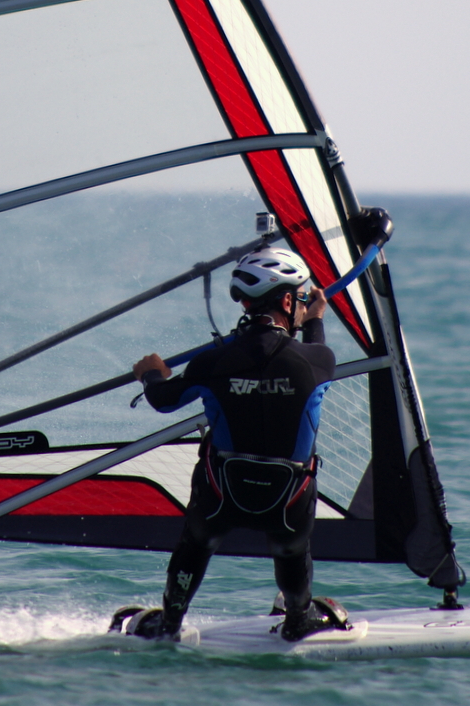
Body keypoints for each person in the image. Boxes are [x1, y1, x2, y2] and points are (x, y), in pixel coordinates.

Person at [127, 246, 348, 642]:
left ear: (246, 303)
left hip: (221, 495)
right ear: (287, 302)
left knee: (196, 543)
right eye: (299, 298)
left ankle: (169, 622)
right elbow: (314, 350)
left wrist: (151, 375)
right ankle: (298, 618)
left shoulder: (212, 363)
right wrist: (315, 318)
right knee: (291, 548)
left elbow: (163, 400)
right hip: (287, 501)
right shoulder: (318, 362)